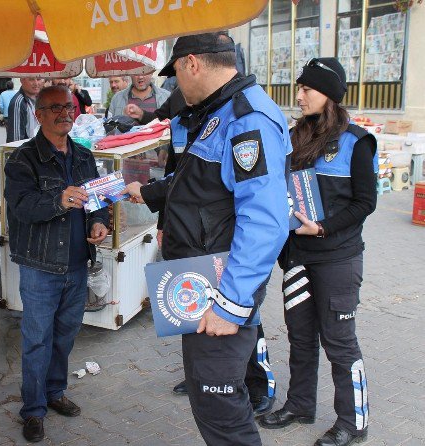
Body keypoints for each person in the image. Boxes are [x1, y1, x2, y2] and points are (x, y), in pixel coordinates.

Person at [123, 32, 291, 445]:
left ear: (192, 64)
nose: (175, 85)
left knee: (221, 410)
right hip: (203, 283)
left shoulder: (247, 119)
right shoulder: (218, 113)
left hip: (220, 292)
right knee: (209, 396)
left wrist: (230, 305)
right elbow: (198, 187)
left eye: (176, 73)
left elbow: (266, 221)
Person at [260, 58, 376, 446]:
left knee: (340, 343)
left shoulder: (357, 142)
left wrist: (324, 227)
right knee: (301, 337)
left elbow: (365, 203)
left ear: (328, 94)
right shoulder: (293, 137)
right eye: (299, 87)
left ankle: (353, 423)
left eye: (307, 89)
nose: (299, 95)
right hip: (297, 259)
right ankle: (299, 405)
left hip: (339, 258)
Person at [3, 85, 110, 443]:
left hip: (77, 263)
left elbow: (97, 199)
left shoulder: (83, 155)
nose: (66, 113)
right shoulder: (23, 160)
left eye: (69, 106)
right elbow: (21, 208)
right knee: (37, 340)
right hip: (40, 265)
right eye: (56, 108)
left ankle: (54, 392)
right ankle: (33, 410)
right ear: (39, 114)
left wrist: (99, 222)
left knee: (65, 337)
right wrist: (59, 200)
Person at [6, 77, 44, 143]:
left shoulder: (40, 98)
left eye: (39, 79)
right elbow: (15, 140)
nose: (36, 83)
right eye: (31, 79)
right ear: (21, 80)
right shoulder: (18, 103)